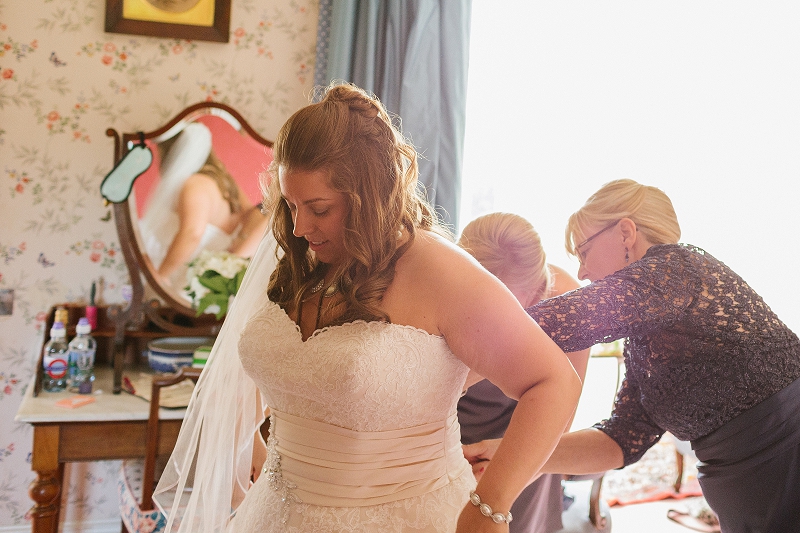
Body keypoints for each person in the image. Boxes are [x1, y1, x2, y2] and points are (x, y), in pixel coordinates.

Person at [153, 82, 581, 533]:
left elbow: (553, 382)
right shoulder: (304, 258)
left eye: (318, 208)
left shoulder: (440, 272)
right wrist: (253, 457)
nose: (299, 227)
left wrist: (490, 504)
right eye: (292, 205)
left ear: (369, 195)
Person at [463, 179, 800, 533]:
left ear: (625, 233)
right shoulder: (647, 342)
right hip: (742, 488)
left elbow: (559, 322)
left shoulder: (677, 267)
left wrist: (458, 345)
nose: (581, 273)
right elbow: (620, 440)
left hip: (786, 462)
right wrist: (504, 451)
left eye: (584, 252)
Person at [457, 212, 591, 533]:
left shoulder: (570, 303)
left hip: (526, 432)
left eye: (505, 303)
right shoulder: (445, 287)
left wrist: (504, 477)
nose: (491, 315)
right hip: (453, 421)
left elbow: (559, 417)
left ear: (534, 293)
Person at [139, 121, 266, 291]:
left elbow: (191, 234)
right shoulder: (223, 180)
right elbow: (249, 215)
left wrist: (161, 276)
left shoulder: (193, 185)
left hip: (191, 282)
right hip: (207, 278)